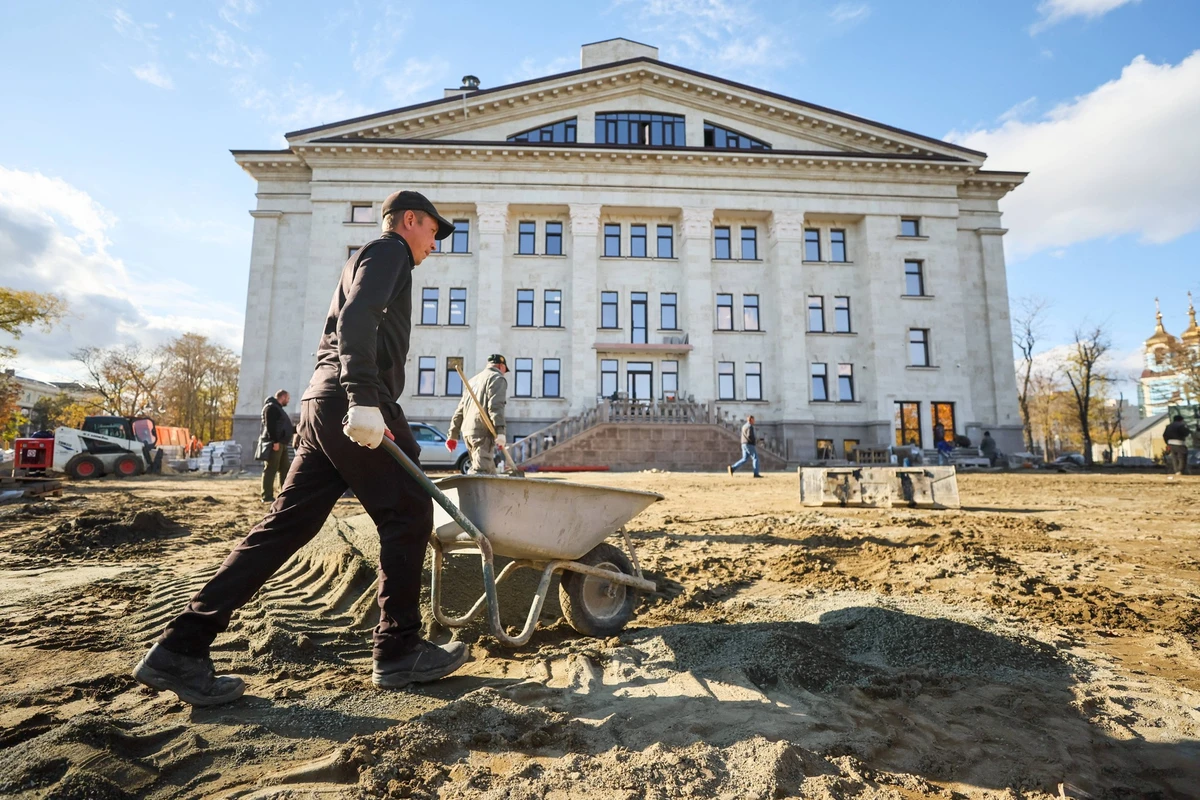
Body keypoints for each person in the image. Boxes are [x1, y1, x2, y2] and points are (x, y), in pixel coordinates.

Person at [133, 190, 461, 706]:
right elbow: (357, 320)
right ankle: (398, 651)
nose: (434, 246)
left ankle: (179, 647)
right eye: (432, 233)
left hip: (321, 401)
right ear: (410, 220)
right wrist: (363, 401)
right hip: (351, 397)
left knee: (286, 524)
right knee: (409, 511)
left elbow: (346, 324)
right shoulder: (390, 251)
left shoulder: (368, 258)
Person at [446, 355, 508, 474]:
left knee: (489, 472)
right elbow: (496, 406)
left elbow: (460, 410)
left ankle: (494, 492)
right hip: (482, 432)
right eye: (505, 370)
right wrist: (500, 431)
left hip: (468, 432)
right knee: (481, 472)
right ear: (501, 366)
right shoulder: (497, 378)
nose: (504, 374)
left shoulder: (473, 381)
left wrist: (453, 434)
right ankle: (471, 492)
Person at [257, 389, 295, 503]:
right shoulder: (271, 408)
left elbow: (283, 427)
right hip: (275, 444)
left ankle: (283, 493)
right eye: (287, 399)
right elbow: (270, 426)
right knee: (271, 468)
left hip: (281, 443)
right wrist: (275, 442)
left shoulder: (278, 408)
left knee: (285, 468)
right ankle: (267, 496)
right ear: (282, 397)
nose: (288, 401)